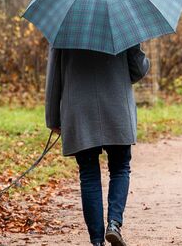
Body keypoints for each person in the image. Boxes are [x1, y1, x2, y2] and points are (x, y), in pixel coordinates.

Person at [45, 44, 150, 246]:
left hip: (79, 109)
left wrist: (53, 118)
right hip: (117, 107)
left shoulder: (66, 27)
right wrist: (141, 55)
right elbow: (137, 71)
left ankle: (96, 241)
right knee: (120, 168)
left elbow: (54, 77)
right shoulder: (122, 23)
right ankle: (114, 224)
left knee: (89, 174)